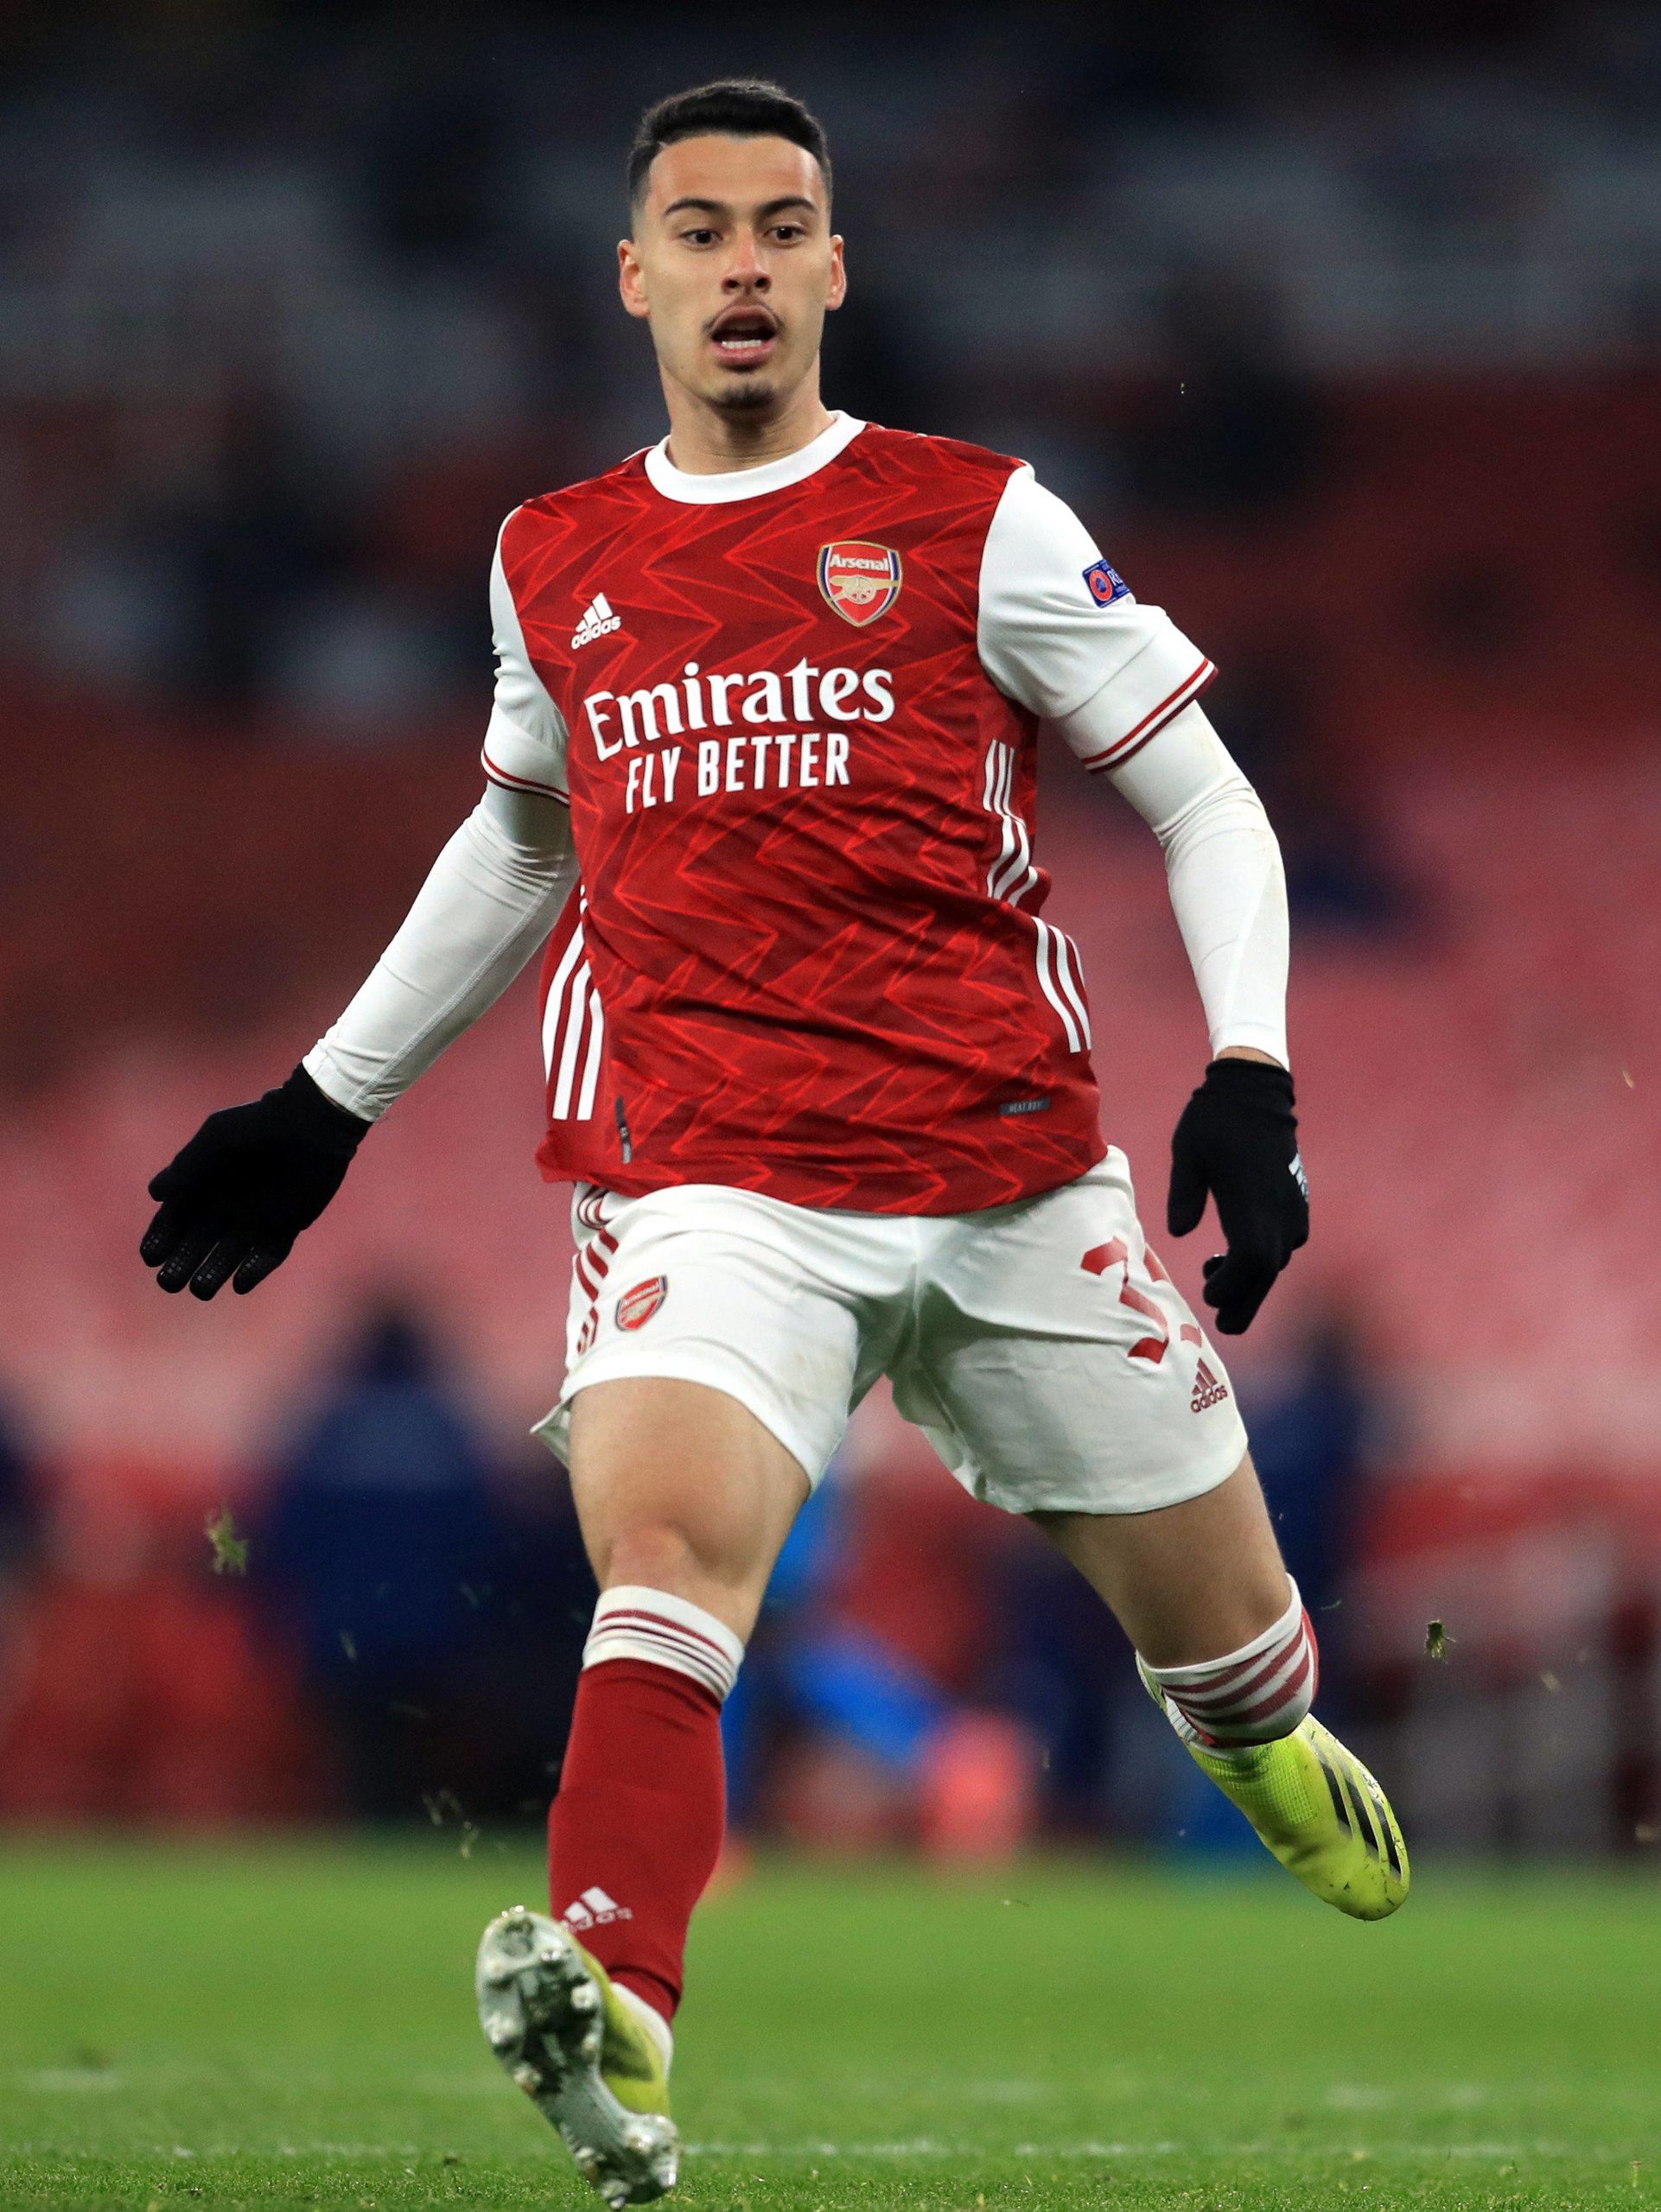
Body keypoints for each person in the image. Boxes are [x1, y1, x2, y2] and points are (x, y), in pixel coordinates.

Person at [140, 80, 1407, 2209]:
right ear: (635, 277)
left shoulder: (977, 517)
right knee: (666, 1551)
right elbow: (523, 833)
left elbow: (1201, 791)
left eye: (782, 225)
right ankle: (614, 2000)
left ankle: (1265, 1739)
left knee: (1227, 1646)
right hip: (711, 1176)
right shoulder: (553, 554)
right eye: (702, 228)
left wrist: (1254, 1074)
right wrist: (326, 1098)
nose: (743, 263)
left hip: (1008, 1177)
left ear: (833, 269)